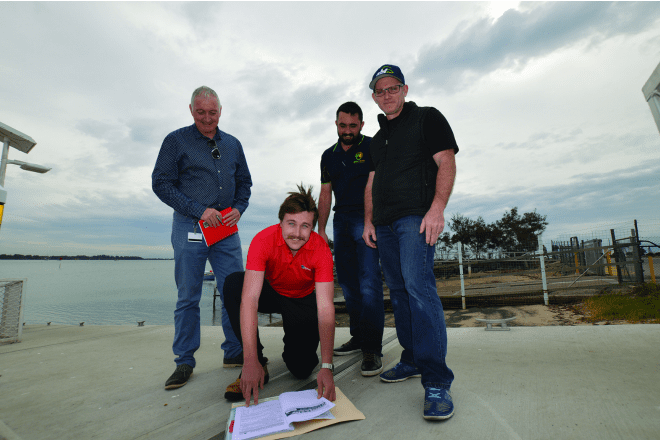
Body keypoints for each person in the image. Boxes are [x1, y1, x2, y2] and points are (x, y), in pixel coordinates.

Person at [362, 65, 458, 420]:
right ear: (374, 95)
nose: (387, 95)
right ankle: (412, 358)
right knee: (399, 293)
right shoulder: (376, 139)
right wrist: (369, 221)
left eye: (393, 88)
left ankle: (436, 381)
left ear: (404, 89)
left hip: (415, 219)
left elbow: (445, 162)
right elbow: (372, 183)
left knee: (419, 289)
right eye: (380, 90)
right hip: (384, 225)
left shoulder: (427, 118)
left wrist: (437, 208)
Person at [152, 86, 252, 390]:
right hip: (190, 228)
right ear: (191, 110)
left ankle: (235, 353)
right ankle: (184, 361)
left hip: (226, 230)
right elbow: (161, 184)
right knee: (188, 297)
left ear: (220, 111)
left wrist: (238, 208)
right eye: (200, 112)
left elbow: (245, 183)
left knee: (234, 292)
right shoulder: (176, 140)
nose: (207, 118)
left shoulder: (233, 144)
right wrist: (198, 210)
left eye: (212, 112)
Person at [223, 184, 336, 405]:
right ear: (280, 222)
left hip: (302, 299)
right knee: (234, 284)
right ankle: (259, 362)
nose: (297, 233)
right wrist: (249, 360)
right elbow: (249, 300)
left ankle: (295, 342)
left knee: (302, 369)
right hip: (272, 291)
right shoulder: (263, 240)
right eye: (291, 224)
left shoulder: (321, 249)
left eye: (305, 226)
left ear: (313, 227)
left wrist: (327, 366)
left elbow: (325, 308)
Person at [318, 102, 384, 376]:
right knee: (347, 284)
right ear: (336, 124)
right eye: (342, 126)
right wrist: (320, 231)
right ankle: (357, 336)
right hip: (340, 222)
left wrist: (369, 222)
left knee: (369, 284)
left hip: (366, 221)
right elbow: (325, 193)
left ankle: (372, 349)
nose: (347, 131)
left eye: (353, 126)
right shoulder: (328, 155)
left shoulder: (371, 146)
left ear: (362, 125)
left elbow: (374, 185)